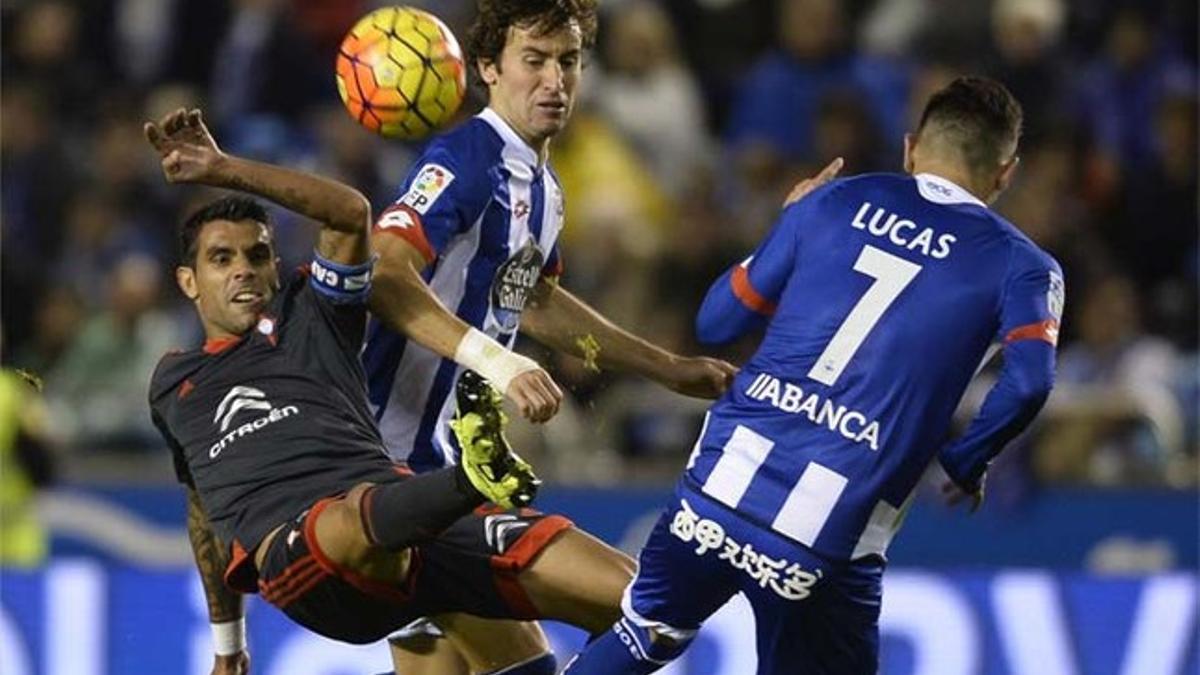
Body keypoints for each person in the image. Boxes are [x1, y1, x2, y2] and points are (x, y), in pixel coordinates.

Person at [564, 76, 1063, 674]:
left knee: (647, 634)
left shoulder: (831, 201)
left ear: (910, 149)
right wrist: (968, 460)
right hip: (827, 533)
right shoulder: (1024, 266)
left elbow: (717, 320)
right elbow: (1029, 382)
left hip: (722, 482)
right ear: (1006, 173)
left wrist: (788, 227)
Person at [143, 108, 634, 675]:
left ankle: (469, 483)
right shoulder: (173, 383)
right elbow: (204, 512)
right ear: (188, 282)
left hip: (404, 520)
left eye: (257, 255)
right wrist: (229, 645)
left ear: (276, 268)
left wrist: (223, 168)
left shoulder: (314, 313)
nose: (243, 270)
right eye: (220, 259)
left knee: (635, 601)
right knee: (351, 520)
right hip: (305, 555)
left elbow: (350, 212)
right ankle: (471, 479)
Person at [361, 1, 736, 672]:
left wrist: (666, 368)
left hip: (440, 478)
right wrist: (497, 363)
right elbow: (386, 275)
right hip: (396, 474)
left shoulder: (546, 187)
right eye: (533, 62)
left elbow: (533, 302)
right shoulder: (467, 157)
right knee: (641, 603)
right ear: (486, 69)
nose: (554, 81)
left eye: (568, 62)